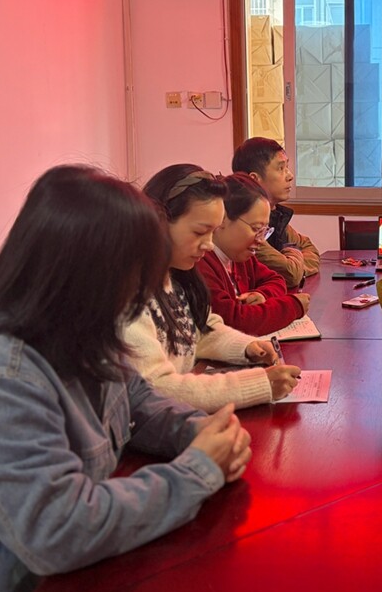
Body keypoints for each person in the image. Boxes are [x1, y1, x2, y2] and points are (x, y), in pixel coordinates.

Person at [0, 166, 252, 592]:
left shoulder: (73, 327)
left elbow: (136, 398)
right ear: (85, 273)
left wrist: (198, 431)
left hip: (48, 588)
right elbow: (58, 530)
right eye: (135, 278)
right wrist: (197, 471)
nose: (141, 294)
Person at [125, 164, 301, 411]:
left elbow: (201, 330)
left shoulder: (173, 278)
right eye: (200, 232)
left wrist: (246, 347)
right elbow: (156, 388)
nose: (209, 245)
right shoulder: (128, 298)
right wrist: (261, 384)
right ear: (159, 221)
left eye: (212, 232)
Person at [196, 173, 310, 336]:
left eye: (265, 231)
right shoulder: (200, 262)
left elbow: (276, 280)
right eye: (256, 229)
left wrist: (261, 295)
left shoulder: (239, 257)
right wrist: (293, 306)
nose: (260, 240)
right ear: (222, 219)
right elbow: (234, 322)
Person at [232, 136, 320, 289]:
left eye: (287, 167)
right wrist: (294, 256)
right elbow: (290, 274)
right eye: (280, 168)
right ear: (254, 179)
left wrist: (295, 264)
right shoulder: (246, 225)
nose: (290, 175)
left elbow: (309, 248)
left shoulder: (276, 215)